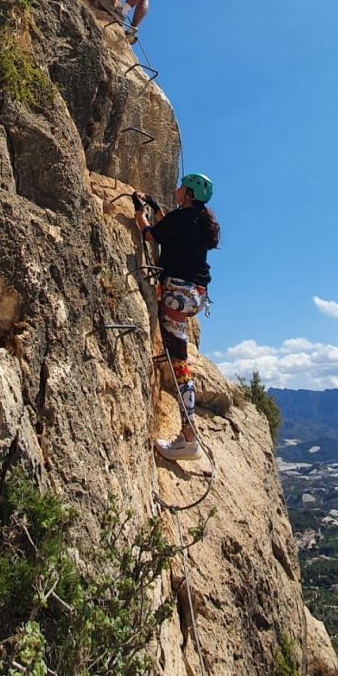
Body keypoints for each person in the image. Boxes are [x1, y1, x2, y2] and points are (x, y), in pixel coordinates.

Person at [132, 173, 220, 461]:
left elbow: (151, 234)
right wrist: (156, 207)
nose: (177, 189)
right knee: (179, 360)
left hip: (176, 295)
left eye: (182, 187)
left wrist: (138, 210)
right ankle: (188, 435)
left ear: (190, 194)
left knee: (180, 365)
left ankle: (188, 437)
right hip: (194, 295)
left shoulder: (182, 219)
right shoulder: (197, 221)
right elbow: (170, 226)